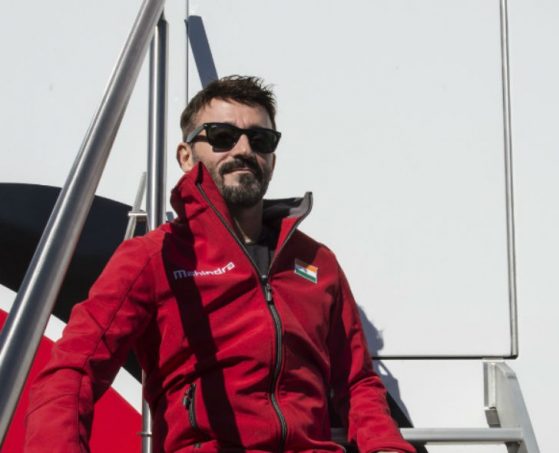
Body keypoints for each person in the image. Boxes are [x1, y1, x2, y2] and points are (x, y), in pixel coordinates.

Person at [25, 75, 415, 453]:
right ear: (186, 155)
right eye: (223, 137)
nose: (243, 149)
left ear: (272, 159)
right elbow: (72, 372)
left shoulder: (316, 261)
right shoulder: (153, 257)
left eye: (259, 140)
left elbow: (358, 384)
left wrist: (385, 447)